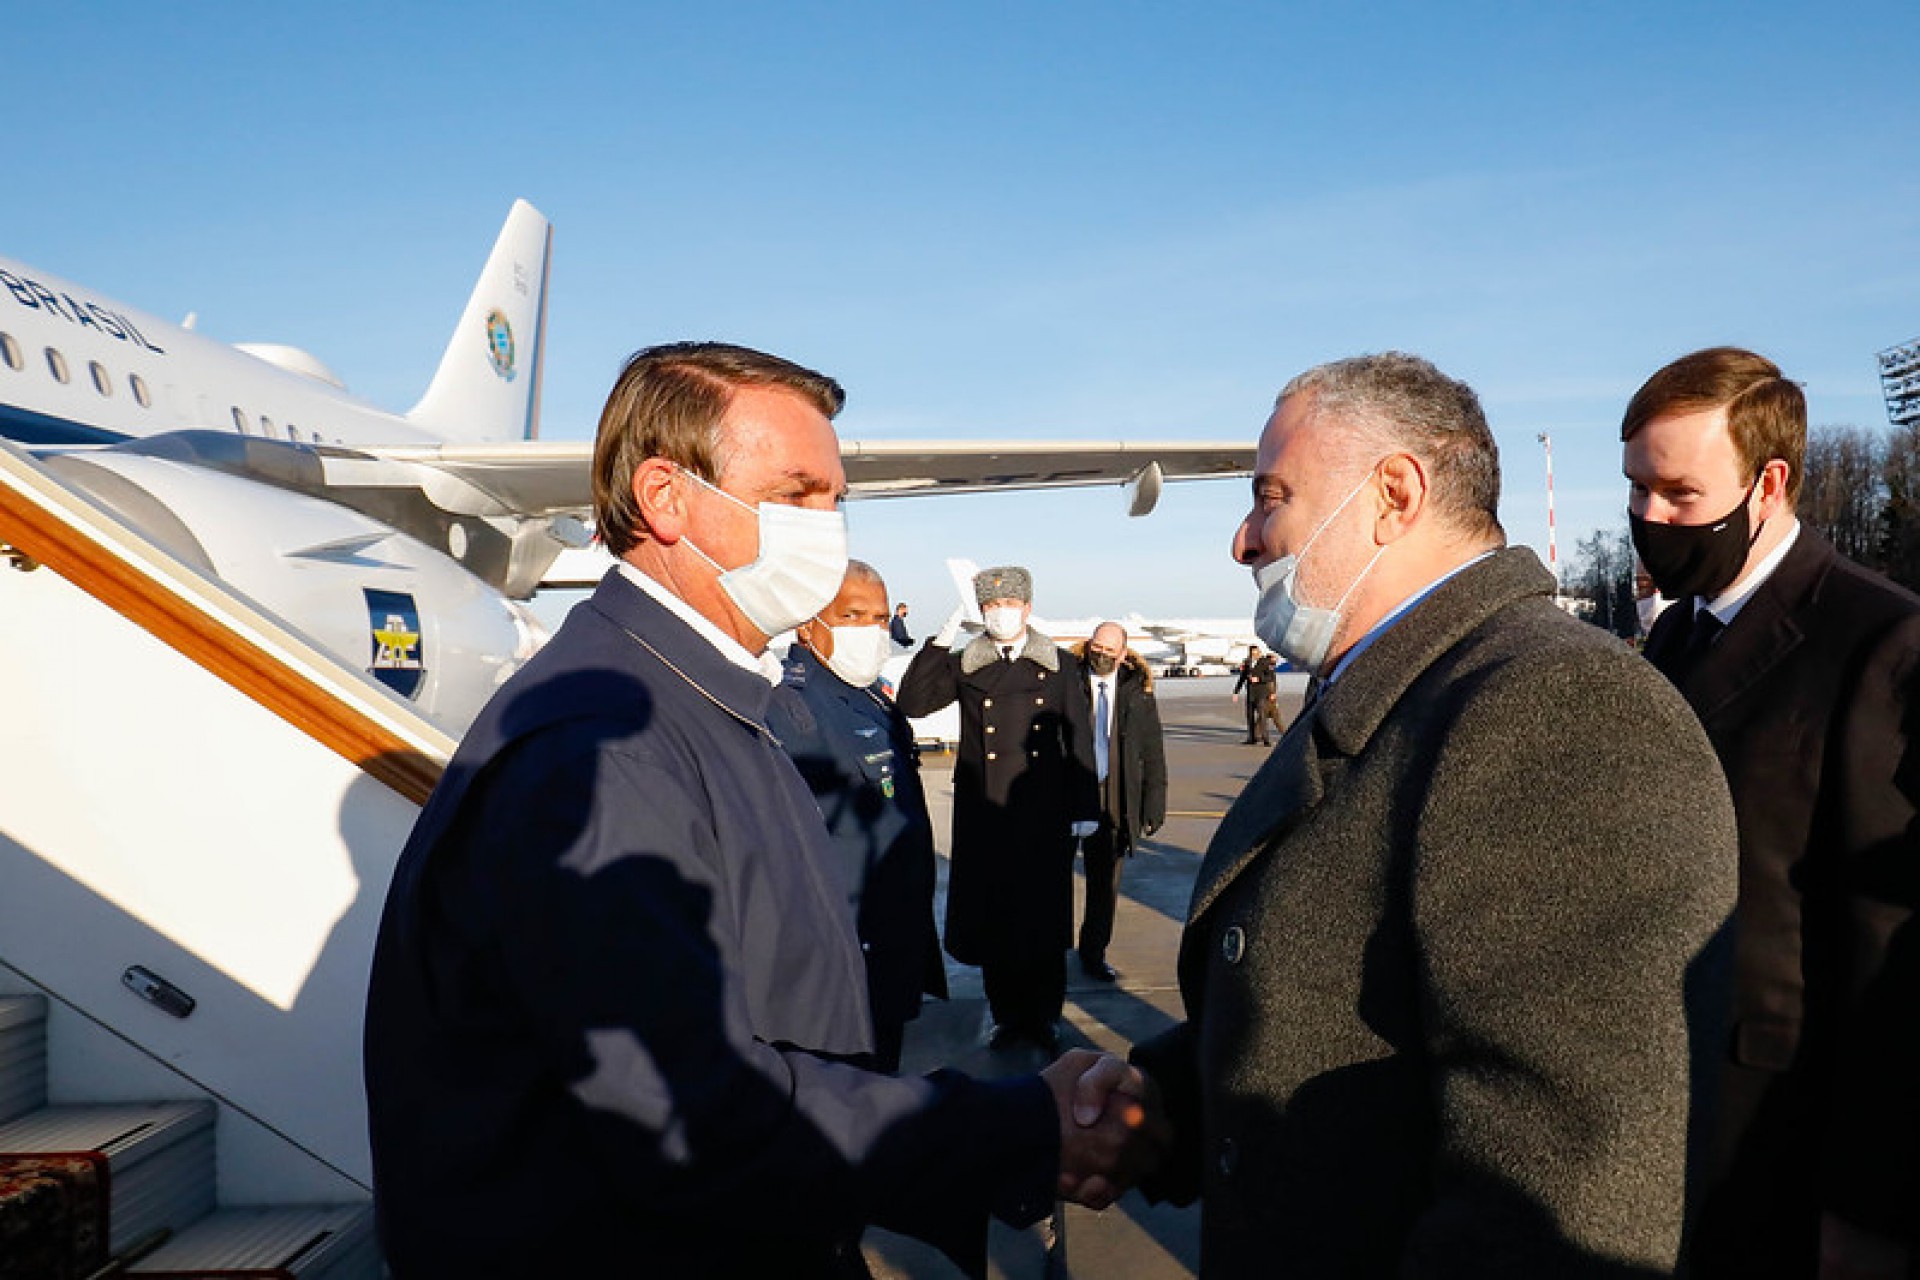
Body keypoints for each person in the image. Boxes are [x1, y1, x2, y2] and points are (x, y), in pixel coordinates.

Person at [363, 343, 1162, 1278]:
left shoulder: (700, 699)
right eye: (797, 495)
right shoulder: (599, 746)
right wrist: (1017, 1126)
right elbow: (685, 1107)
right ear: (665, 498)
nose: (828, 527)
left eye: (835, 498)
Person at [1129, 351, 1739, 1276]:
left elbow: (1560, 1194)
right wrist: (1158, 1097)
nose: (1245, 541)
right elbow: (1346, 1019)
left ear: (1395, 494)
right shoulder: (1404, 687)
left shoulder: (1557, 708)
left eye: (1270, 497)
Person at [1623, 346, 1920, 1280]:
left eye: (1676, 492)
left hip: (1780, 1136)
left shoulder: (1880, 640)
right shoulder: (1673, 635)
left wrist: (1872, 1210)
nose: (1647, 519)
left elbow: (1896, 955)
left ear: (1769, 483)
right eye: (1634, 488)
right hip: (1655, 1114)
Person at [896, 565, 1100, 1055]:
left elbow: (1079, 736)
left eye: (1008, 605)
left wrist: (1084, 803)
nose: (1000, 614)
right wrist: (937, 644)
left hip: (1042, 808)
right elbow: (913, 702)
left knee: (1042, 918)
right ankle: (1008, 1015)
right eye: (990, 607)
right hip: (985, 811)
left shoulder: (1058, 666)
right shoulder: (968, 663)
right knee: (996, 918)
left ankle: (1044, 1015)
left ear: (1027, 608)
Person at [766, 559, 946, 1072]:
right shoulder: (790, 708)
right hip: (843, 960)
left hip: (887, 944)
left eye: (880, 618)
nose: (872, 631)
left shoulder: (869, 699)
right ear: (808, 623)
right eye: (852, 615)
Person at [1072, 622, 1168, 983]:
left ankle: (1093, 953)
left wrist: (1154, 802)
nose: (1101, 654)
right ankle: (1050, 952)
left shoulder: (1138, 694)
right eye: (1097, 646)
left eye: (1109, 650)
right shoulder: (1067, 683)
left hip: (1114, 798)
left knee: (1104, 886)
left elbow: (1153, 753)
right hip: (1069, 798)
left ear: (1123, 655)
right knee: (1052, 883)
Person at [1230, 646, 1280, 744]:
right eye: (1252, 653)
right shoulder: (1247, 662)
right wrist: (1236, 692)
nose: (1254, 655)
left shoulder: (1265, 662)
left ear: (1259, 653)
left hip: (1261, 693)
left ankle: (1266, 739)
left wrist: (1260, 680)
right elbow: (1242, 677)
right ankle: (1252, 738)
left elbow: (1271, 677)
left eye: (1256, 653)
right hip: (1250, 693)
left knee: (1262, 716)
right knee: (1249, 716)